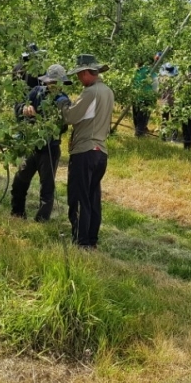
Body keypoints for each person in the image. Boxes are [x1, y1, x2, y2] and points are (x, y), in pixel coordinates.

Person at [56, 54, 115, 249]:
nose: (79, 79)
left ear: (85, 72)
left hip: (85, 150)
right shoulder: (107, 91)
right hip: (101, 152)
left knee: (79, 197)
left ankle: (80, 241)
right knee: (92, 197)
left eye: (80, 74)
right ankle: (91, 239)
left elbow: (71, 117)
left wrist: (63, 103)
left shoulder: (90, 93)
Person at [10, 64, 72, 221]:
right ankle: (17, 212)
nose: (53, 86)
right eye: (51, 82)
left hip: (49, 149)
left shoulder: (63, 101)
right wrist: (24, 108)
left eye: (57, 83)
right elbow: (18, 107)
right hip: (31, 146)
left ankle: (42, 219)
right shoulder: (36, 92)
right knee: (20, 181)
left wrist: (52, 123)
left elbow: (63, 127)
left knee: (47, 187)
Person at [131, 57, 157, 137]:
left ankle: (138, 131)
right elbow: (155, 86)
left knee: (136, 116)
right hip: (146, 98)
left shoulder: (136, 71)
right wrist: (154, 98)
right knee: (143, 117)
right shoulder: (151, 72)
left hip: (136, 97)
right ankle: (139, 134)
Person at [158, 62, 179, 142]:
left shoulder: (162, 79)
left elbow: (159, 91)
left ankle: (163, 136)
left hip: (164, 102)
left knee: (164, 120)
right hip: (174, 102)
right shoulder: (176, 80)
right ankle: (174, 138)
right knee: (174, 120)